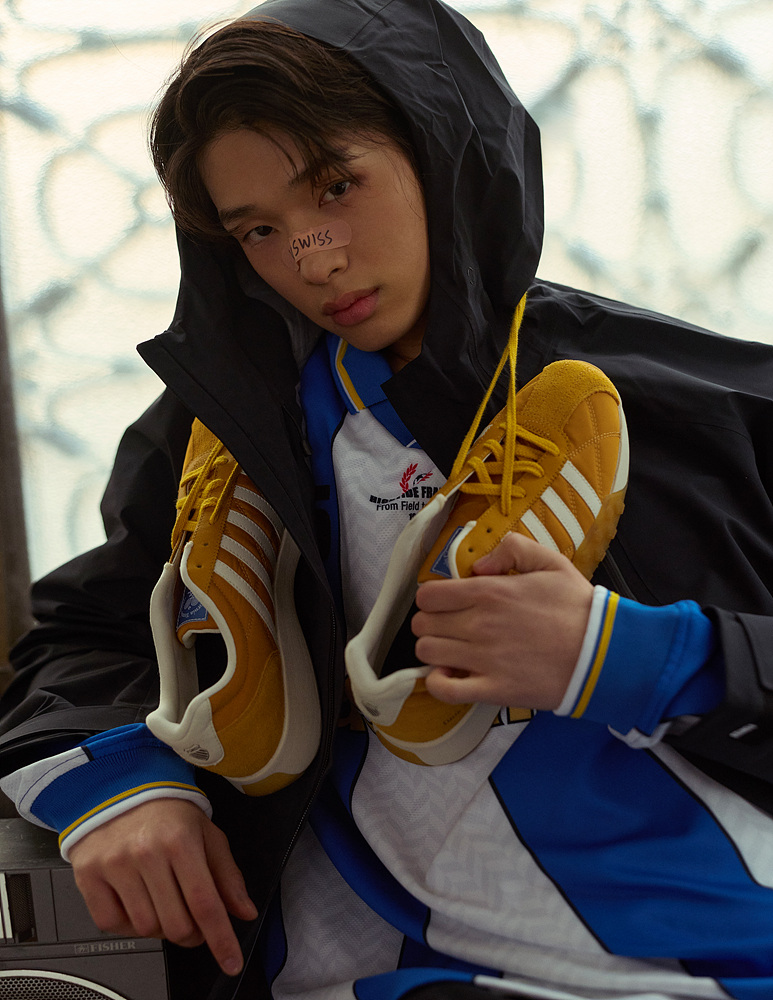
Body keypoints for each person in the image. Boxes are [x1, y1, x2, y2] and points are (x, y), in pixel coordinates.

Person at [1, 1, 773, 999]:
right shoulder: (230, 432)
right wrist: (117, 783)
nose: (313, 258)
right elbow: (79, 635)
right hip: (350, 970)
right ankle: (241, 686)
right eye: (259, 230)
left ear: (440, 146)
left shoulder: (696, 401)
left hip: (696, 964)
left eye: (336, 186)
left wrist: (636, 653)